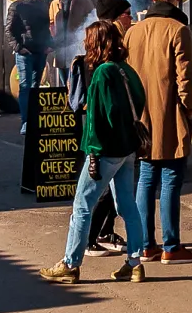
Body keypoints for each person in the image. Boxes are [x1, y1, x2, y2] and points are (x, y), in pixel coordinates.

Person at [39, 20, 149, 284]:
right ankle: (134, 263)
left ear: (96, 43)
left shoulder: (102, 74)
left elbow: (98, 120)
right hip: (127, 148)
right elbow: (140, 102)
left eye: (88, 40)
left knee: (82, 207)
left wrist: (93, 153)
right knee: (127, 206)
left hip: (106, 150)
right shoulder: (127, 70)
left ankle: (70, 263)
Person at [126, 0, 192, 264]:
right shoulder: (178, 29)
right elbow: (185, 77)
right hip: (170, 112)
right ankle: (171, 247)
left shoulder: (133, 31)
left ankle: (146, 244)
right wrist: (189, 107)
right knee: (171, 177)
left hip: (142, 114)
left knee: (146, 177)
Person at [65, 0, 134, 257]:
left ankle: (105, 235)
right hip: (104, 131)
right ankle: (88, 242)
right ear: (116, 18)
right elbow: (103, 98)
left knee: (114, 193)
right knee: (97, 192)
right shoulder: (107, 49)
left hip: (109, 130)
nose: (131, 17)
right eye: (127, 14)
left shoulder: (113, 44)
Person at [4, 0, 50, 135]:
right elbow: (8, 30)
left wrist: (49, 45)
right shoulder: (17, 6)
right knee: (25, 87)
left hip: (41, 52)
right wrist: (18, 48)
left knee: (35, 87)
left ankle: (34, 119)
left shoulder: (44, 5)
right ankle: (26, 122)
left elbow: (46, 28)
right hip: (25, 53)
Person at [48, 0, 95, 85]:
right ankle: (66, 100)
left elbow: (93, 21)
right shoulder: (54, 3)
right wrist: (54, 39)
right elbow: (51, 22)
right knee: (64, 80)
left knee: (77, 79)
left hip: (77, 45)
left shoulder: (85, 2)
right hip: (61, 46)